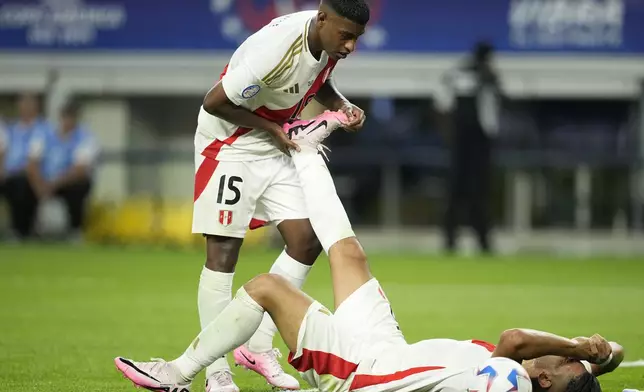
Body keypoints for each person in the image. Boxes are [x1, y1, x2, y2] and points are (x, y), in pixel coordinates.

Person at [115, 111, 623, 392]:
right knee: (349, 253)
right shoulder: (537, 381)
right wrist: (602, 358)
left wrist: (584, 349)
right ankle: (306, 148)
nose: (556, 355)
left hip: (359, 373)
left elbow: (514, 340)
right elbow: (595, 361)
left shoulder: (512, 381)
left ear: (551, 383)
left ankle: (175, 374)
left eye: (560, 363)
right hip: (388, 350)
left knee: (266, 288)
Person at [189, 0, 368, 390]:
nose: (351, 46)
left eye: (357, 39)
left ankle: (257, 345)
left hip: (273, 142)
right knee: (222, 254)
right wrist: (272, 129)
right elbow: (215, 102)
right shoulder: (275, 50)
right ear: (322, 18)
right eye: (346, 36)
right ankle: (216, 373)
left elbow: (317, 80)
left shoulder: (326, 41)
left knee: (306, 240)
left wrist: (343, 106)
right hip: (229, 145)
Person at [435, 41, 502, 255]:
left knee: (471, 191)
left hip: (473, 142)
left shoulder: (476, 75)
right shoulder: (471, 74)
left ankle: (476, 239)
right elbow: (443, 104)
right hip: (466, 142)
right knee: (466, 191)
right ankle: (455, 239)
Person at [26, 102, 98, 241]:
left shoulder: (85, 137)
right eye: (65, 117)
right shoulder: (45, 134)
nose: (67, 121)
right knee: (20, 185)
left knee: (80, 186)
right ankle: (24, 231)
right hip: (42, 181)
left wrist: (53, 184)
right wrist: (39, 185)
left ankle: (75, 230)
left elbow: (79, 169)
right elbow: (32, 163)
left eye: (71, 118)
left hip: (65, 182)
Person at [0, 93, 51, 240]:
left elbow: (33, 161)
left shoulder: (41, 129)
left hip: (31, 175)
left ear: (35, 108)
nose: (24, 109)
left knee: (21, 186)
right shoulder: (12, 128)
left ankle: (22, 230)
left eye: (28, 105)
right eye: (22, 105)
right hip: (10, 175)